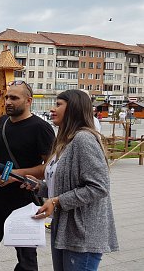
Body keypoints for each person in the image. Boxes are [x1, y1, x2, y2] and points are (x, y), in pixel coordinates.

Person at [22, 90, 118, 271]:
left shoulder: (84, 139)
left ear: (74, 109)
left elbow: (99, 187)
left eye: (58, 104)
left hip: (83, 234)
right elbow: (66, 183)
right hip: (66, 230)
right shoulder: (65, 141)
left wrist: (57, 201)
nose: (52, 109)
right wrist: (40, 187)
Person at [0, 81, 55, 271]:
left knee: (26, 259)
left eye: (14, 98)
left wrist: (15, 174)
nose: (8, 101)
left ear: (28, 101)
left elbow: (50, 168)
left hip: (23, 199)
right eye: (7, 97)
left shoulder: (40, 128)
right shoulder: (3, 121)